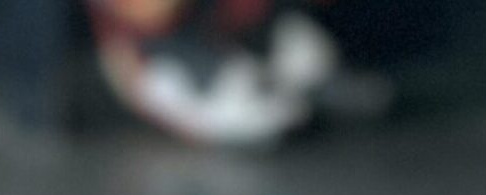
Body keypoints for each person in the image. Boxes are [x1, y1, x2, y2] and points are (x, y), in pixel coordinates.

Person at [87, 0, 340, 147]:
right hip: (157, 56)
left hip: (226, 38)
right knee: (241, 104)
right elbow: (149, 13)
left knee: (307, 53)